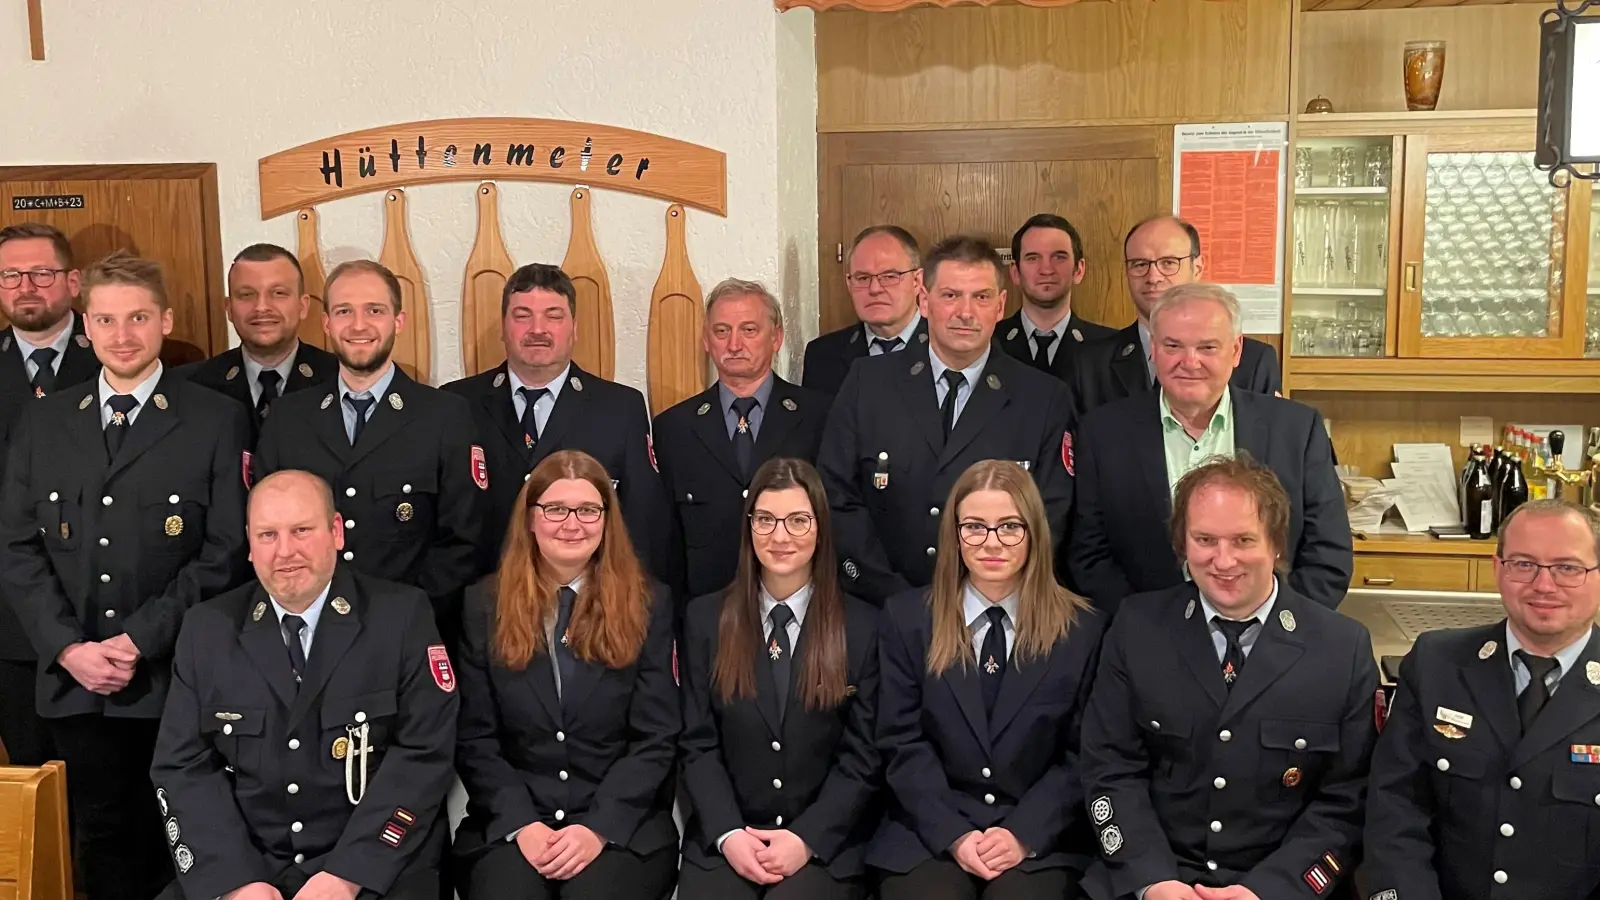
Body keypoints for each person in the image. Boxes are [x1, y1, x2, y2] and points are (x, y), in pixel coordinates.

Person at [0, 251, 250, 900]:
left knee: (187, 835)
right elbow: (18, 546)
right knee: (100, 838)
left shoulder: (213, 418)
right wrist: (68, 649)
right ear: (86, 326)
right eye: (106, 320)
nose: (122, 334)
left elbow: (223, 550)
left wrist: (140, 639)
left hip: (175, 673)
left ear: (165, 320)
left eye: (138, 317)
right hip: (77, 679)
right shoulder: (46, 421)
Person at [148, 470, 459, 900]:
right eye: (268, 535)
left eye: (301, 531)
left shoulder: (401, 617)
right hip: (251, 867)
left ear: (336, 532)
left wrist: (347, 875)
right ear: (250, 546)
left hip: (374, 869)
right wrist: (237, 883)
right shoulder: (207, 630)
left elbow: (424, 755)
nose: (285, 551)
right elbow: (182, 766)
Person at [1078, 456, 1377, 900]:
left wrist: (1267, 891)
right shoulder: (1137, 628)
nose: (1223, 560)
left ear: (1276, 543)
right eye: (1204, 540)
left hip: (1278, 885)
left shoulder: (1341, 648)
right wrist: (1153, 881)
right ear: (1182, 544)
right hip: (1152, 878)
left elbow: (1346, 801)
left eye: (1243, 540)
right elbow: (1110, 769)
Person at [453, 450, 679, 900]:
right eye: (555, 509)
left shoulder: (648, 603)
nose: (571, 524)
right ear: (530, 519)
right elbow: (474, 738)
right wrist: (522, 824)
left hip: (620, 825)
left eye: (588, 510)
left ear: (607, 520)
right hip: (513, 822)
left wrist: (598, 828)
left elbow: (656, 737)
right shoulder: (484, 604)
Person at [871, 460, 1102, 900]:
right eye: (974, 527)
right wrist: (955, 834)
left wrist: (1022, 834)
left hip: (1040, 838)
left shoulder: (1083, 630)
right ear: (954, 536)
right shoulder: (907, 620)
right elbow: (901, 742)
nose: (991, 543)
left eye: (1010, 526)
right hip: (929, 833)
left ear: (1034, 532)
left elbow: (1082, 756)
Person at [817, 236, 1076, 605]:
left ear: (1001, 305)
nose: (965, 312)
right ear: (924, 300)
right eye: (951, 295)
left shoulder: (1044, 398)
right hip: (880, 606)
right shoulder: (868, 383)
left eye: (981, 297)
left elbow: (1049, 515)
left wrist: (980, 597)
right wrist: (890, 593)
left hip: (995, 611)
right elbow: (835, 493)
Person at [1364, 498, 1600, 900]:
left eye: (1568, 568)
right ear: (1498, 569)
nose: (1544, 585)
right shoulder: (1437, 663)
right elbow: (1396, 811)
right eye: (1524, 564)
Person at [1068, 283, 1350, 614]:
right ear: (1154, 350)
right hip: (1146, 641)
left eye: (1207, 347)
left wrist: (1271, 627)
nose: (1190, 362)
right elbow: (1089, 556)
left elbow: (1328, 555)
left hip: (1276, 644)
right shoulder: (1103, 434)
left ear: (1235, 351)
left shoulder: (1297, 430)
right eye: (1173, 345)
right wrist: (1151, 628)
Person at [254, 259, 484, 648]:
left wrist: (397, 616)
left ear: (399, 321)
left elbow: (464, 543)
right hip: (307, 637)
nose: (358, 326)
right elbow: (264, 534)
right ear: (327, 323)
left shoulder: (444, 416)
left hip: (407, 636)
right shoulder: (287, 418)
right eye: (344, 311)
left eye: (374, 311)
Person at [679, 458, 881, 900]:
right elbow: (697, 743)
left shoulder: (864, 627)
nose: (780, 536)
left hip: (826, 843)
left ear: (821, 528)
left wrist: (807, 838)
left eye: (797, 520)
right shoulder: (705, 620)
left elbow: (863, 755)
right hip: (727, 838)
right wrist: (729, 833)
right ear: (748, 527)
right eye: (765, 520)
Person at [443, 264, 670, 580]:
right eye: (523, 316)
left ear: (574, 328)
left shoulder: (620, 408)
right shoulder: (456, 404)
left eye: (553, 316)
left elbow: (643, 525)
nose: (538, 329)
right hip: (481, 606)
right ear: (503, 327)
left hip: (589, 606)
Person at [654, 280, 830, 601]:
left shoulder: (820, 416)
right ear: (706, 340)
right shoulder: (673, 427)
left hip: (802, 607)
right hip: (706, 613)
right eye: (721, 332)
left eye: (749, 330)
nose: (734, 344)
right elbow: (666, 543)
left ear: (776, 338)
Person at [0, 222, 100, 768]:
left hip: (103, 620)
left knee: (110, 803)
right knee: (28, 796)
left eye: (42, 272)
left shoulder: (119, 353)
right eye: (11, 274)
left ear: (73, 281)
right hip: (11, 623)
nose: (26, 286)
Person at [1071, 216, 1280, 416]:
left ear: (1197, 268)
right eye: (1140, 264)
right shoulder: (1091, 364)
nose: (1153, 277)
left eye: (1169, 263)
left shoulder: (1253, 361)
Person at [176, 244, 339, 444]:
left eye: (278, 293)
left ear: (302, 306)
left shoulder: (341, 379)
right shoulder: (192, 386)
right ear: (229, 309)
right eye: (246, 295)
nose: (261, 307)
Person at [802, 226, 928, 398]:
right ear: (849, 284)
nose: (874, 289)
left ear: (916, 281)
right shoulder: (823, 356)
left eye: (889, 276)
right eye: (862, 278)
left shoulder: (949, 348)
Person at [993, 215, 1115, 381]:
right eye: (1033, 258)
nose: (1046, 269)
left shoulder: (1111, 348)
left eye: (1059, 257)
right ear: (1015, 273)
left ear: (1079, 270)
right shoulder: (989, 343)